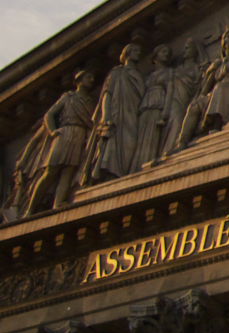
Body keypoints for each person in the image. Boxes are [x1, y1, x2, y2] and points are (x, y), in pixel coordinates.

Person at [26, 70, 97, 212]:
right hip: (64, 133)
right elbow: (49, 115)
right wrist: (53, 131)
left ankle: (57, 203)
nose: (92, 80)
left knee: (69, 171)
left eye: (92, 78)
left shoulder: (90, 101)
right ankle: (30, 209)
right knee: (51, 171)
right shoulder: (68, 97)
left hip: (79, 134)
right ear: (79, 81)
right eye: (88, 77)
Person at [84, 43, 146, 183]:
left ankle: (122, 172)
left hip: (133, 113)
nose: (138, 53)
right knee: (116, 142)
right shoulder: (117, 72)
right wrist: (106, 116)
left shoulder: (138, 74)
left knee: (130, 142)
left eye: (138, 51)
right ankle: (111, 173)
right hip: (118, 113)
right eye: (135, 50)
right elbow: (107, 94)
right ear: (127, 54)